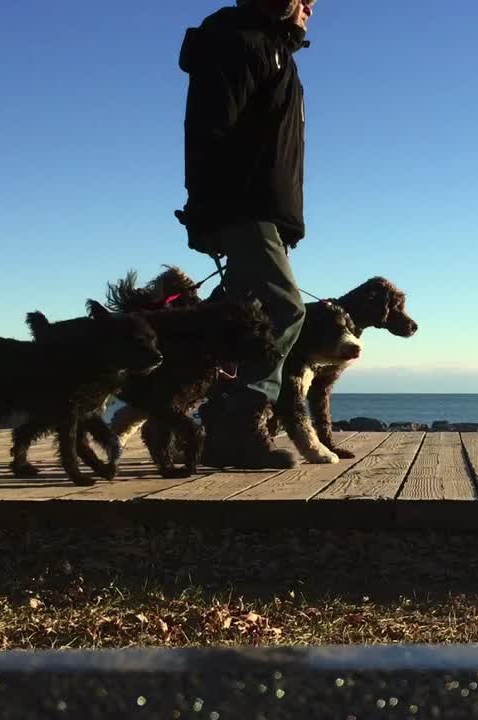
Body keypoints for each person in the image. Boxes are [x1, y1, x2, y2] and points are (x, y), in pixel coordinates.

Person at [175, 0, 316, 469]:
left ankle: (201, 419)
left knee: (239, 318)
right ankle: (236, 425)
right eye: (305, 1)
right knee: (283, 308)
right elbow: (208, 131)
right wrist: (207, 207)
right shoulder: (240, 44)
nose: (310, 11)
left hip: (263, 209)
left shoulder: (274, 51)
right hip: (242, 205)